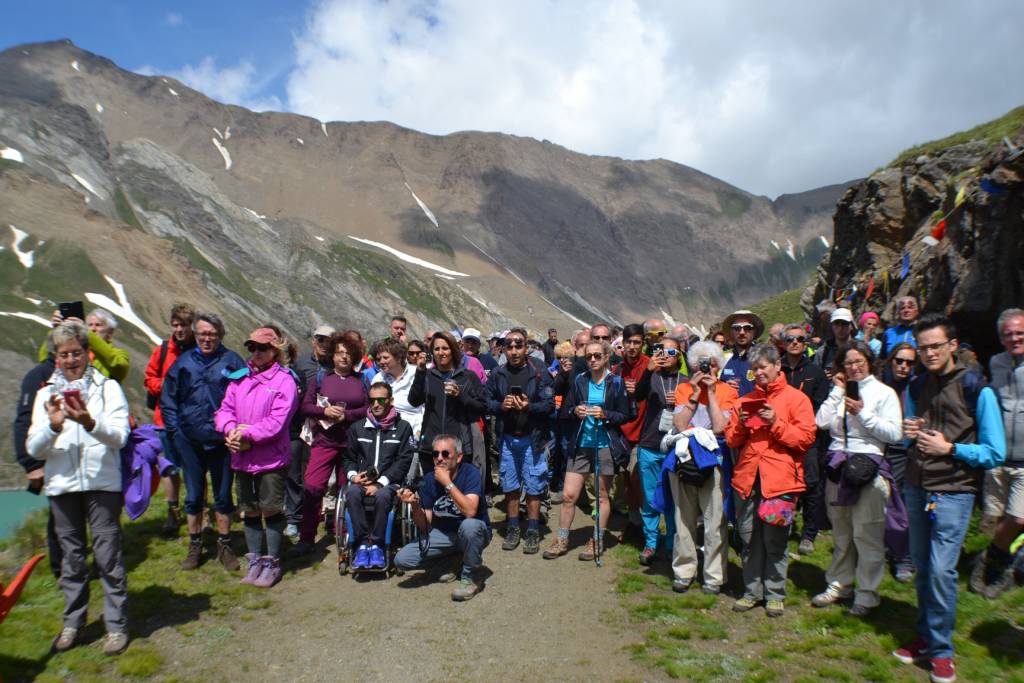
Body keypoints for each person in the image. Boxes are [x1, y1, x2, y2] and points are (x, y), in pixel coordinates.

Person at [893, 314, 1005, 683]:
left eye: (935, 346)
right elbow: (910, 436)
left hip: (955, 491)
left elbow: (994, 452)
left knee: (942, 571)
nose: (928, 353)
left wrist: (952, 447)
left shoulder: (977, 388)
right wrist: (909, 433)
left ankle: (942, 650)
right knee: (924, 569)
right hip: (916, 485)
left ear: (953, 345)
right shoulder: (916, 385)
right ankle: (926, 635)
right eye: (922, 347)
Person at [27, 321, 131, 655]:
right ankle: (74, 622)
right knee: (71, 559)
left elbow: (118, 437)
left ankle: (116, 626)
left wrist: (89, 422)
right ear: (56, 359)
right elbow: (33, 448)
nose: (71, 360)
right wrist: (54, 427)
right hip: (62, 487)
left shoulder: (108, 388)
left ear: (87, 354)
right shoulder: (46, 395)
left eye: (76, 353)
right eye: (64, 354)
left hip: (102, 484)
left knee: (107, 554)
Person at [811, 342, 903, 617]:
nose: (853, 367)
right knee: (841, 532)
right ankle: (840, 584)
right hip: (839, 466)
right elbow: (821, 421)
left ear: (869, 362)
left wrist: (862, 413)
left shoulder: (884, 393)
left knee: (867, 533)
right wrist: (837, 391)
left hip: (869, 467)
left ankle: (867, 594)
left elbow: (894, 433)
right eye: (848, 363)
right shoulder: (840, 390)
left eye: (858, 361)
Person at [726, 343, 816, 617]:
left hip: (780, 481)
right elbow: (731, 439)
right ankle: (752, 591)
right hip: (748, 479)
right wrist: (741, 423)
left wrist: (776, 422)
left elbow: (805, 439)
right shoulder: (744, 401)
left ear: (778, 366)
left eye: (763, 366)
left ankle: (775, 593)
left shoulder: (797, 399)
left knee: (775, 541)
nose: (758, 372)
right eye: (754, 369)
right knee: (749, 539)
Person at [214, 326, 299, 587]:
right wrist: (229, 430)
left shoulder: (285, 381)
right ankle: (255, 561)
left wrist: (246, 434)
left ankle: (272, 561)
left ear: (275, 350)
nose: (257, 352)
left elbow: (278, 422)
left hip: (270, 459)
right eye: (252, 347)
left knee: (271, 508)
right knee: (249, 510)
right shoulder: (240, 379)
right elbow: (224, 410)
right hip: (242, 458)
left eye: (262, 347)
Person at [161, 312, 246, 571]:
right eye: (202, 334)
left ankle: (224, 544)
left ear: (220, 335)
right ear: (195, 335)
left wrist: (237, 430)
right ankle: (195, 545)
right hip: (190, 440)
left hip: (222, 441)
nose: (207, 338)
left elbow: (245, 394)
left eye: (211, 334)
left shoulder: (233, 360)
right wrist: (176, 432)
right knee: (194, 494)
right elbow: (168, 400)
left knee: (222, 494)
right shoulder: (183, 363)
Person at [544, 339, 629, 560]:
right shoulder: (579, 381)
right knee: (569, 495)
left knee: (601, 496)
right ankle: (562, 539)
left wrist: (606, 414)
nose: (592, 360)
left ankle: (597, 540)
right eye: (588, 356)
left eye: (597, 355)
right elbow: (566, 409)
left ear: (606, 357)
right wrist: (576, 411)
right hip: (581, 443)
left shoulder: (617, 383)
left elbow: (626, 414)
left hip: (605, 445)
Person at [664, 340, 738, 593]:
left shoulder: (728, 392)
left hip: (714, 461)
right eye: (702, 364)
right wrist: (696, 393)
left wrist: (713, 394)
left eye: (712, 364)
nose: (707, 369)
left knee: (715, 520)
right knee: (683, 518)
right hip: (685, 459)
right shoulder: (685, 389)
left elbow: (720, 427)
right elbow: (681, 424)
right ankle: (684, 571)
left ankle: (714, 576)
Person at [292, 331, 370, 557]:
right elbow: (304, 407)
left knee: (347, 491)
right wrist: (324, 411)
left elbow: (368, 409)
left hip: (351, 445)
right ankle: (307, 537)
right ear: (333, 356)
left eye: (348, 353)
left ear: (354, 356)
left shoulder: (362, 381)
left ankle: (344, 533)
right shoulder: (321, 379)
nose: (343, 357)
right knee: (313, 487)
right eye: (339, 353)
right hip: (324, 442)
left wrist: (347, 416)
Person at [395, 435, 491, 601]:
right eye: (435, 454)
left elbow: (470, 511)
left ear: (459, 457)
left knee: (470, 526)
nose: (439, 458)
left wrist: (447, 483)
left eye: (445, 454)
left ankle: (471, 577)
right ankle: (451, 561)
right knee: (401, 560)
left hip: (473, 532)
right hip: (444, 534)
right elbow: (425, 526)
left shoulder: (470, 473)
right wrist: (415, 506)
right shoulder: (428, 480)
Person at [484, 327, 554, 554]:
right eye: (509, 346)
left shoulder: (539, 370)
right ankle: (513, 526)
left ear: (527, 347)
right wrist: (500, 406)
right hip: (507, 439)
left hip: (533, 440)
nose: (514, 350)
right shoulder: (498, 373)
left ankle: (532, 530)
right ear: (503, 349)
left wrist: (529, 407)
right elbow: (486, 401)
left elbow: (550, 405)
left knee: (534, 486)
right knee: (510, 486)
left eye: (518, 345)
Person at [973, 308, 1024, 598]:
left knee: (1018, 518)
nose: (1014, 338)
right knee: (995, 516)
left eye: (1020, 333)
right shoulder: (996, 362)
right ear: (1001, 338)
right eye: (1008, 334)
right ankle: (999, 567)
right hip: (998, 454)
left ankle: (990, 563)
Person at [343, 382, 416, 569]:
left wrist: (381, 483)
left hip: (389, 483)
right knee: (351, 493)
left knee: (383, 496)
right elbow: (348, 458)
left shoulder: (403, 427)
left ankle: (377, 544)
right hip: (361, 481)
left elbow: (403, 461)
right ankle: (360, 544)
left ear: (390, 400)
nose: (376, 404)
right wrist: (353, 477)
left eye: (381, 400)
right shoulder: (357, 427)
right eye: (372, 400)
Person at [143, 303, 196, 537]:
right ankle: (173, 512)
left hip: (193, 421)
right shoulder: (163, 350)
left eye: (183, 325)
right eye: (175, 325)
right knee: (170, 468)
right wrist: (163, 386)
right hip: (165, 421)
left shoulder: (198, 350)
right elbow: (149, 378)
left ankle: (198, 510)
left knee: (195, 469)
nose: (179, 329)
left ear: (191, 326)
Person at [779, 323, 831, 555]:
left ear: (805, 342)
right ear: (783, 342)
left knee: (810, 484)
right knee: (783, 483)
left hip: (808, 437)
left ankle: (809, 533)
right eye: (790, 339)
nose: (795, 343)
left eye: (800, 339)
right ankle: (784, 524)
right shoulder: (776, 369)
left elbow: (819, 405)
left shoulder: (815, 373)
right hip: (780, 434)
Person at [632, 337, 682, 565]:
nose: (667, 354)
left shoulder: (687, 380)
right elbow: (637, 395)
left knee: (673, 500)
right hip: (650, 444)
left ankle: (672, 544)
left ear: (680, 355)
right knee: (651, 498)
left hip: (676, 446)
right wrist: (648, 370)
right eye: (662, 350)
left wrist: (681, 401)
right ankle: (651, 542)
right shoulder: (652, 376)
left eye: (672, 351)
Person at [409, 331, 487, 475]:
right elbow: (414, 401)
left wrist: (461, 396)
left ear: (453, 350)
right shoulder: (427, 376)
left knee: (458, 493)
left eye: (445, 348)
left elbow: (482, 407)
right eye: (436, 349)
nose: (441, 353)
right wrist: (420, 372)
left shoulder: (468, 377)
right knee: (432, 491)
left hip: (459, 448)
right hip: (430, 447)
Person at [285, 325, 335, 539]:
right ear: (314, 340)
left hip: (328, 426)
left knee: (318, 476)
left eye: (328, 340)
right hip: (300, 424)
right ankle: (294, 519)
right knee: (296, 473)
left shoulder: (335, 364)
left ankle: (321, 515)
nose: (324, 344)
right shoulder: (301, 364)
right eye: (321, 339)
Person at [881, 342, 918, 581]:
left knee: (905, 505)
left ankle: (904, 558)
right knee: (888, 503)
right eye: (900, 361)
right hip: (886, 451)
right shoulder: (881, 387)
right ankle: (893, 549)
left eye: (909, 363)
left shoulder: (918, 387)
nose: (904, 366)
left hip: (911, 452)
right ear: (891, 361)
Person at [615, 323, 652, 538]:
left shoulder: (650, 366)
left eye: (636, 342)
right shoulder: (617, 369)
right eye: (628, 342)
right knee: (626, 480)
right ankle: (634, 522)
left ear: (642, 343)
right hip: (623, 432)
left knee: (639, 479)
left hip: (644, 432)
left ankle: (648, 528)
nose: (632, 346)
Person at [43, 307, 130, 383]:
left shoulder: (119, 354)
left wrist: (86, 333)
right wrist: (55, 330)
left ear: (110, 333)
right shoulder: (77, 351)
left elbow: (118, 365)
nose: (93, 329)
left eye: (98, 325)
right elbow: (44, 360)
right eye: (90, 325)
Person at [371, 337, 423, 437]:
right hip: (385, 433)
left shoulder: (417, 374)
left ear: (398, 357)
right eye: (378, 359)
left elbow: (426, 407)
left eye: (385, 358)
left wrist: (421, 429)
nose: (381, 362)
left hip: (414, 434)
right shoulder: (377, 379)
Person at [720, 310, 764, 397]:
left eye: (747, 328)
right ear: (731, 332)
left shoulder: (763, 357)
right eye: (737, 328)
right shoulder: (723, 358)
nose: (742, 332)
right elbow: (716, 389)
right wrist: (724, 387)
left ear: (754, 331)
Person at [815, 308, 856, 375]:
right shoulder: (822, 352)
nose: (840, 328)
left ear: (851, 326)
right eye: (836, 324)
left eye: (844, 323)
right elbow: (814, 379)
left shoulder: (860, 349)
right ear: (832, 326)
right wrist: (822, 378)